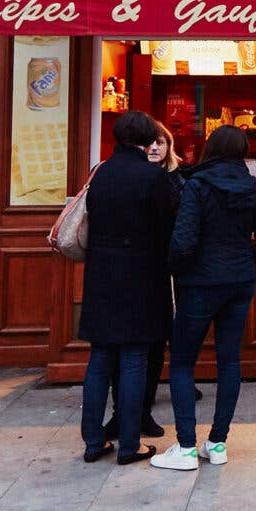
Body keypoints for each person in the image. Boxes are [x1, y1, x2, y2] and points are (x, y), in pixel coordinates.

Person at [151, 125, 256, 471]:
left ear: (211, 149)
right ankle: (218, 443)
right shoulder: (254, 188)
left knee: (182, 362)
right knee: (229, 361)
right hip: (239, 283)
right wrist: (245, 266)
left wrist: (178, 270)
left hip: (198, 284)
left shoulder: (197, 184)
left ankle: (185, 447)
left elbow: (182, 241)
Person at [80, 110, 174, 465]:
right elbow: (167, 229)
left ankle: (93, 441)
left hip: (101, 273)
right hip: (142, 274)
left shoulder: (100, 174)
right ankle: (130, 445)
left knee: (99, 359)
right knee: (135, 358)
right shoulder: (153, 178)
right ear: (149, 139)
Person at [104, 120, 184, 443]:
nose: (154, 148)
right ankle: (120, 414)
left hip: (161, 274)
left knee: (154, 347)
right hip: (127, 275)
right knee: (120, 348)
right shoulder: (121, 175)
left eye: (160, 143)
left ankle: (142, 411)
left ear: (169, 147)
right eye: (150, 143)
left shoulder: (177, 179)